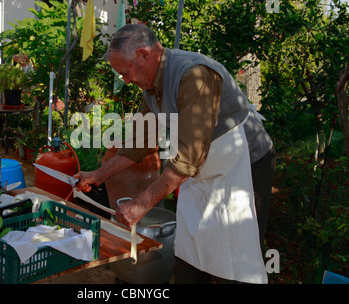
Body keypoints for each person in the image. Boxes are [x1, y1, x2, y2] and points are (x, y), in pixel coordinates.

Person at [75, 24, 275, 284]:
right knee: (190, 250)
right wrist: (98, 175)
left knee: (238, 256)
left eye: (125, 72)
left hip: (245, 167)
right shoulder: (150, 88)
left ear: (145, 55)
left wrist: (140, 204)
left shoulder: (195, 75)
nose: (125, 80)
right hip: (201, 171)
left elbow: (188, 158)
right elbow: (140, 141)